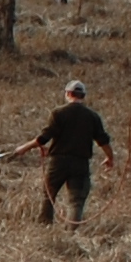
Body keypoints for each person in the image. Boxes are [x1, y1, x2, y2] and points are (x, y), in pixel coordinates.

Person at [23, 79, 113, 224]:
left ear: (68, 94)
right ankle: (72, 231)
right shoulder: (93, 116)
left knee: (49, 195)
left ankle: (44, 225)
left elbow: (43, 138)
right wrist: (110, 158)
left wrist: (22, 149)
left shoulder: (58, 113)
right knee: (76, 200)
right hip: (80, 163)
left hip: (58, 162)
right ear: (83, 96)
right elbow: (103, 141)